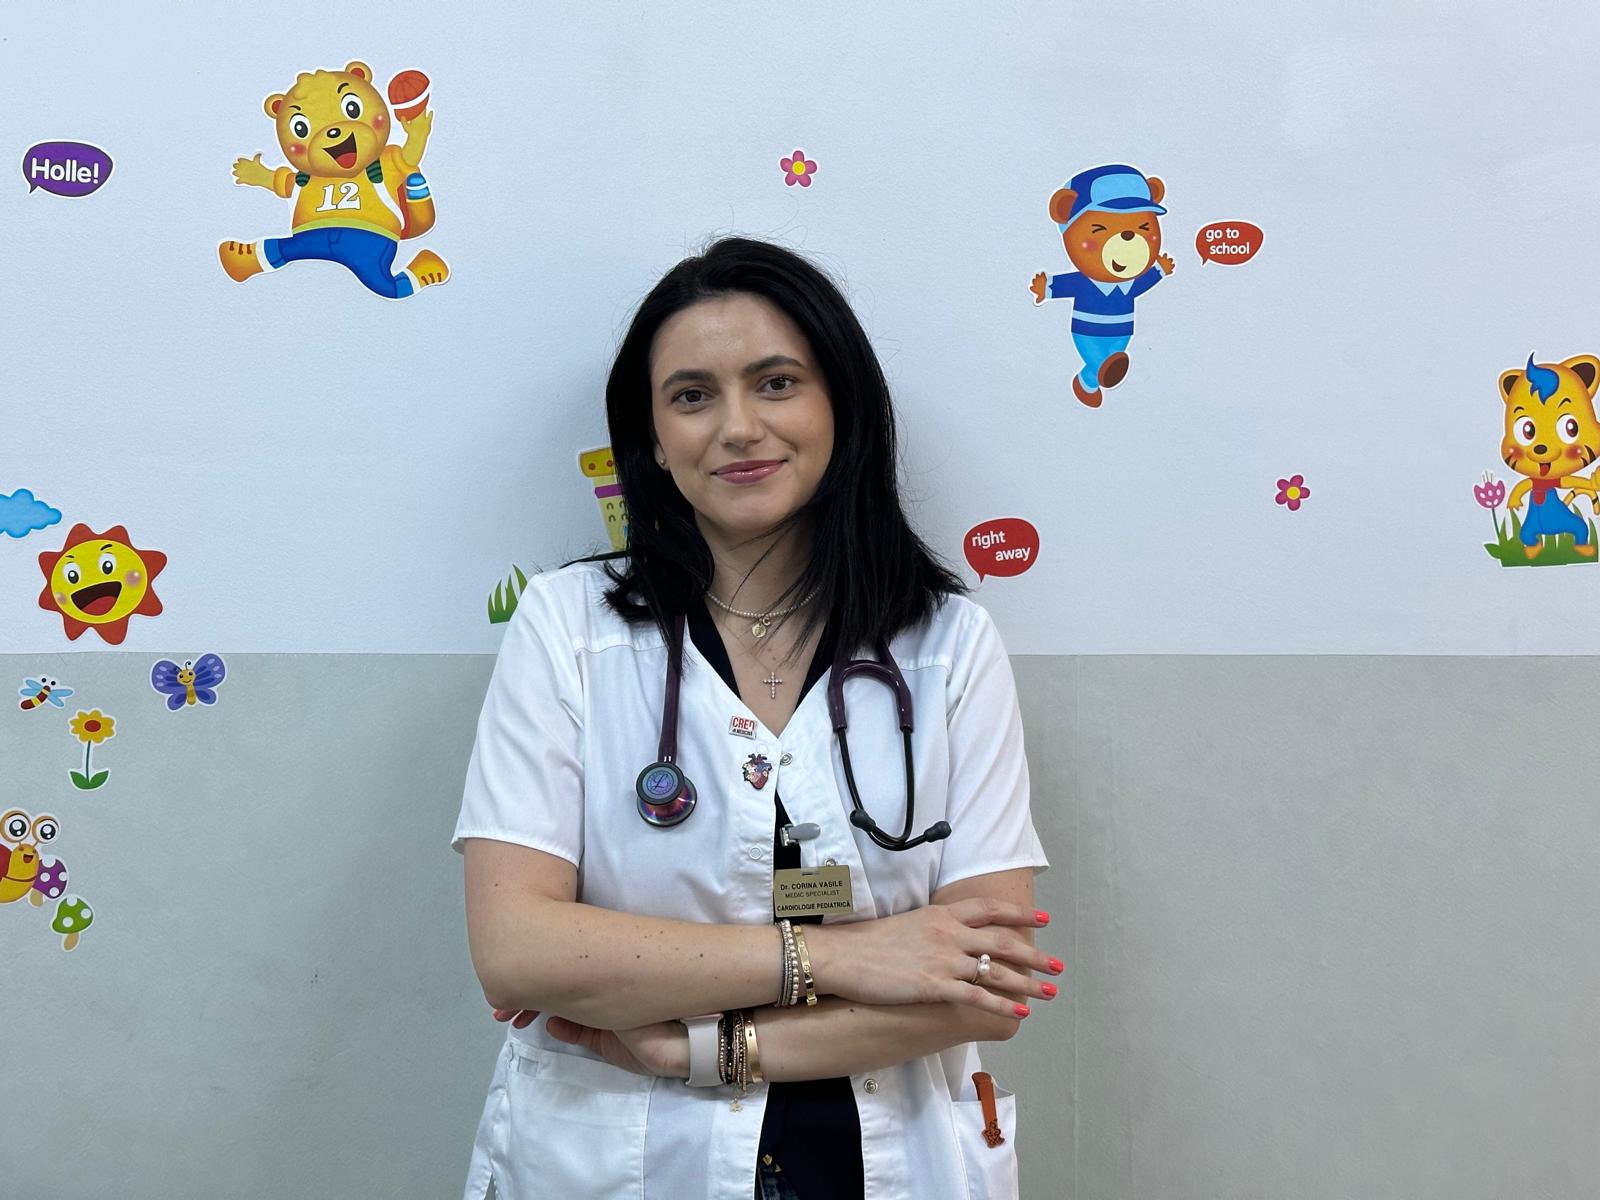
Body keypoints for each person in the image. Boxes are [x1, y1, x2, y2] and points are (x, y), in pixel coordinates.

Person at [452, 236, 1057, 1200]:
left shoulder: (948, 646)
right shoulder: (567, 627)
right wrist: (849, 957)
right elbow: (518, 952)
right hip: (617, 1161)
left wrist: (702, 1048)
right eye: (692, 396)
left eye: (776, 383)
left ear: (839, 406)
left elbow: (985, 984)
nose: (738, 428)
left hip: (878, 1155)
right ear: (652, 438)